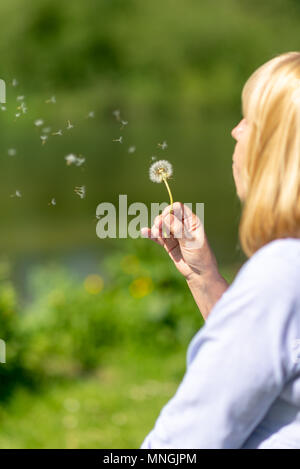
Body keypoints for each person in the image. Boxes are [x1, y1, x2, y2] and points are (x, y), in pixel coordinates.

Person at [140, 51, 300, 449]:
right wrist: (204, 277)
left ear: (279, 149)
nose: (235, 131)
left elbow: (186, 440)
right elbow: (272, 357)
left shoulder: (282, 273)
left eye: (250, 119)